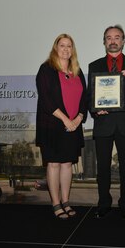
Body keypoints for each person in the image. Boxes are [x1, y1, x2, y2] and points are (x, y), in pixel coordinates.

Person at [87, 25, 125, 220]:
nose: (113, 41)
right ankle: (104, 204)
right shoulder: (94, 66)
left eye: (117, 37)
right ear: (104, 42)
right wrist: (95, 110)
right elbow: (90, 97)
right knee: (102, 168)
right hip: (103, 123)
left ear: (123, 41)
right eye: (109, 38)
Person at [36, 33, 87, 220]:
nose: (66, 49)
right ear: (55, 48)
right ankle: (56, 203)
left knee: (67, 164)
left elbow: (85, 98)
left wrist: (79, 117)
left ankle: (66, 201)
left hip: (74, 126)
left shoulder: (77, 70)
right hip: (53, 126)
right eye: (62, 45)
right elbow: (46, 100)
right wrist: (66, 120)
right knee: (54, 164)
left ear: (73, 50)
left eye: (69, 46)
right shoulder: (46, 69)